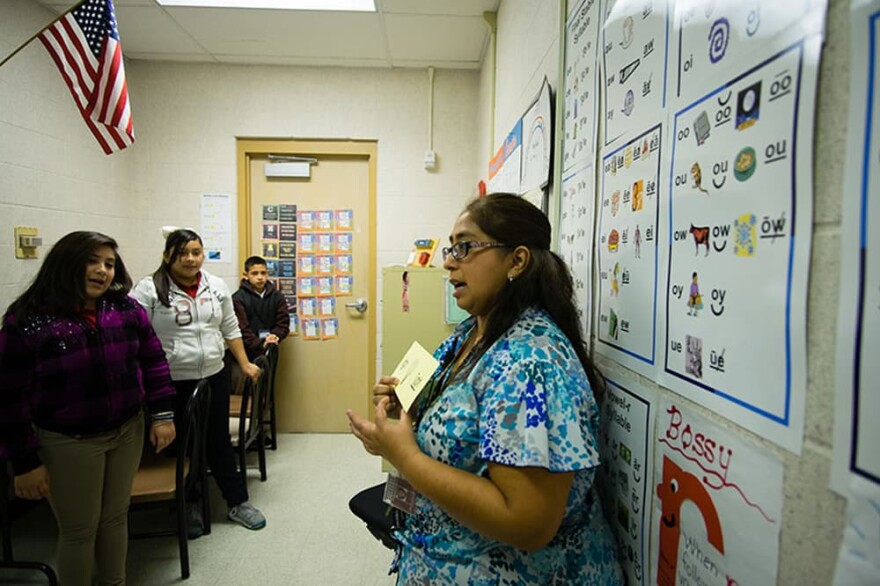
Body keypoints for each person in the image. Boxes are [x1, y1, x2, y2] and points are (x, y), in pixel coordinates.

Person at [347, 193, 624, 583]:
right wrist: (402, 406)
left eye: (465, 246)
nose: (447, 261)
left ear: (517, 260)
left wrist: (406, 457)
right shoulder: (472, 332)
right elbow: (451, 410)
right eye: (450, 248)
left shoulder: (531, 363)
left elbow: (528, 524)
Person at [0, 231, 176, 585]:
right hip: (68, 441)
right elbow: (8, 396)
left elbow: (154, 361)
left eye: (109, 264)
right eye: (92, 262)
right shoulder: (29, 319)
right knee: (80, 528)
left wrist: (162, 415)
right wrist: (24, 463)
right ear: (66, 264)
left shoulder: (125, 309)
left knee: (115, 517)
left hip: (127, 430)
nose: (102, 271)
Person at [131, 229, 266, 536]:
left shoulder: (215, 286)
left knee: (217, 440)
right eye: (182, 253)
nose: (190, 259)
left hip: (213, 376)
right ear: (168, 256)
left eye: (196, 252)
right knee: (181, 444)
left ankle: (237, 501)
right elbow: (134, 334)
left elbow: (230, 327)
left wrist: (244, 362)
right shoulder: (149, 289)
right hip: (171, 382)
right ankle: (188, 503)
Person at [233, 256, 290, 362]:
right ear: (246, 275)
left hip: (271, 347)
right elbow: (242, 328)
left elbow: (283, 323)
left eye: (263, 273)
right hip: (246, 351)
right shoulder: (238, 298)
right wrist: (260, 343)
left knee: (268, 377)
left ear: (267, 274)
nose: (260, 277)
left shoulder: (277, 296)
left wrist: (274, 337)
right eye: (254, 273)